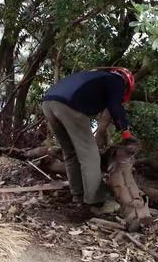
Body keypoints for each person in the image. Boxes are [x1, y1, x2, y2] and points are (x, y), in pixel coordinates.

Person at [42, 68, 136, 213]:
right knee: (90, 155)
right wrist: (126, 133)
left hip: (48, 103)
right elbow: (115, 106)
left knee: (70, 152)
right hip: (69, 105)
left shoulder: (95, 77)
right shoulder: (117, 80)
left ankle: (78, 195)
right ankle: (96, 202)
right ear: (127, 83)